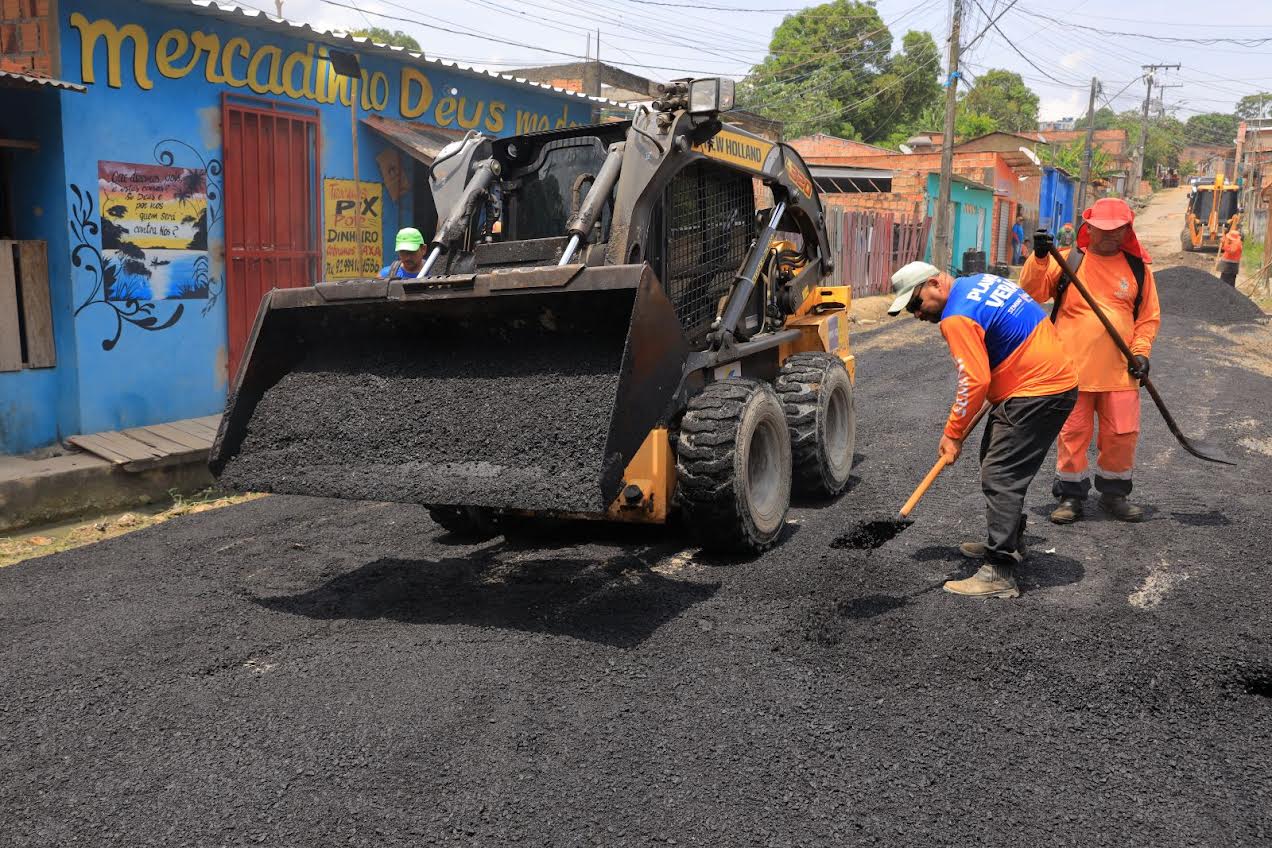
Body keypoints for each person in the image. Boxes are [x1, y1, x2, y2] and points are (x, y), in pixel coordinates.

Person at [887, 262, 1079, 599]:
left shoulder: (957, 316)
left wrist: (953, 433)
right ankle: (1009, 539)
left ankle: (999, 570)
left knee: (1001, 473)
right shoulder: (979, 282)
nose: (916, 315)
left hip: (1037, 389)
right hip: (1047, 378)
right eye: (910, 311)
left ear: (934, 283)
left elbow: (974, 380)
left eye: (916, 304)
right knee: (993, 455)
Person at [1023, 198, 1161, 525]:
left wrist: (1141, 353)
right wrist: (1039, 258)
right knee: (1072, 433)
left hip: (1121, 372)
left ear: (1128, 230)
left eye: (1119, 230)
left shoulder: (1138, 268)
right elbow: (1033, 291)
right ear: (1090, 227)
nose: (1110, 236)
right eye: (1104, 229)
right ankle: (1071, 496)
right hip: (1071, 371)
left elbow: (1148, 318)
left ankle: (1115, 495)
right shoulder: (1070, 260)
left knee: (1122, 435)